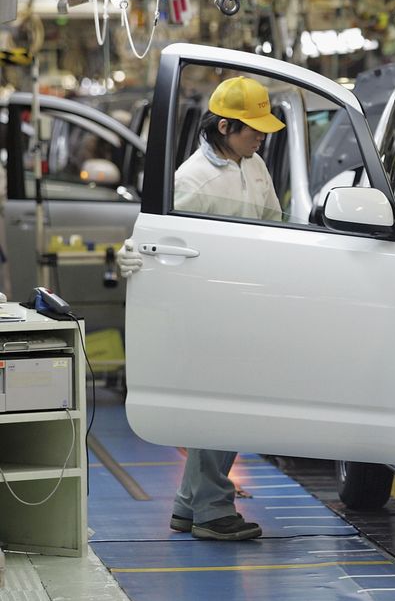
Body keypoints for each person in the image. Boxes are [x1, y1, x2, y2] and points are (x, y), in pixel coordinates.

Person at [117, 76, 285, 540]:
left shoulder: (254, 166)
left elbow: (274, 224)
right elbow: (150, 237)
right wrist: (129, 252)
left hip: (245, 304)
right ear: (225, 126)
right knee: (223, 409)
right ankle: (212, 511)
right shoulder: (193, 180)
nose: (261, 136)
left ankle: (189, 505)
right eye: (253, 128)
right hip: (207, 311)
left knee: (231, 406)